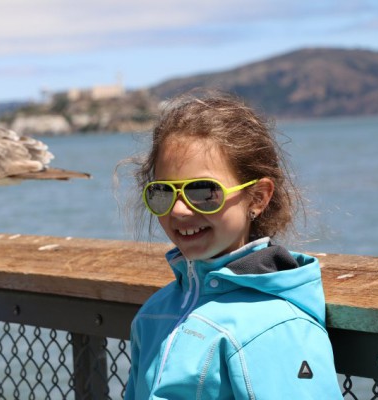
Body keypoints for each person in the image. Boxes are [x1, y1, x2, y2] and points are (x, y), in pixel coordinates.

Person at [122, 90, 342, 399]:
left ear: (258, 197)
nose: (179, 210)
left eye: (203, 192)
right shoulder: (154, 314)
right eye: (163, 192)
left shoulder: (276, 327)